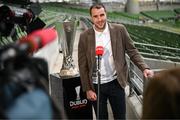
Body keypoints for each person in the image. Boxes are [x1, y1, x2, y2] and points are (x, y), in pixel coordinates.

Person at [78, 3, 154, 119]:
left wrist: (144, 67)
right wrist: (87, 89)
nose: (99, 19)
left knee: (120, 117)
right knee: (101, 117)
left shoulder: (120, 30)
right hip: (95, 86)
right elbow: (82, 65)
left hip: (116, 82)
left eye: (102, 15)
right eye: (95, 16)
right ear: (91, 18)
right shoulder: (84, 36)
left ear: (106, 14)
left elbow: (132, 51)